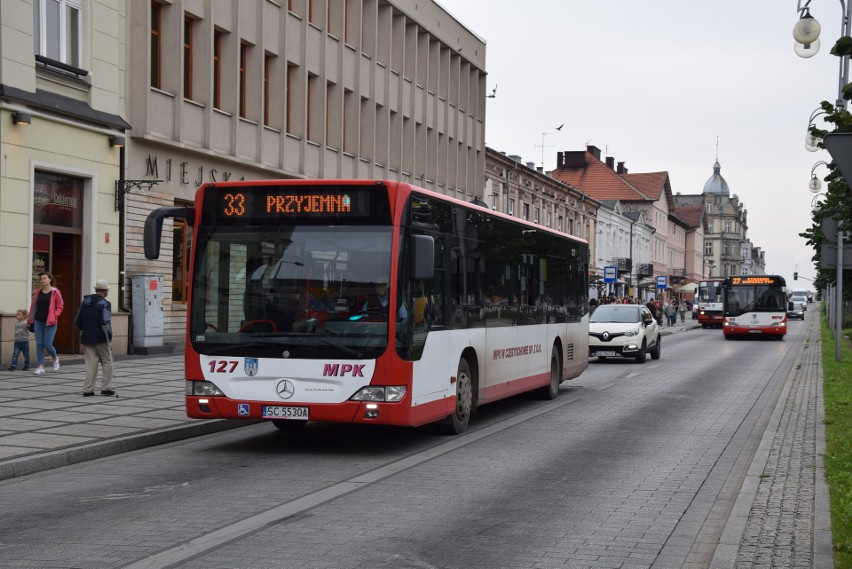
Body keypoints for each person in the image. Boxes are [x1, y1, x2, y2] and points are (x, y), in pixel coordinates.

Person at [75, 279, 114, 397]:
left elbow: (78, 320)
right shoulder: (105, 304)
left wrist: (85, 330)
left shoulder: (85, 302)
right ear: (104, 291)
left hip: (87, 337)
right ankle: (106, 387)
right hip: (101, 338)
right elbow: (105, 322)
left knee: (90, 364)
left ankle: (88, 389)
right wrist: (109, 335)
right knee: (107, 361)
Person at [27, 272, 64, 375]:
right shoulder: (38, 292)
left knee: (48, 344)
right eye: (41, 279)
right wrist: (29, 320)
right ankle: (41, 366)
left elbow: (60, 306)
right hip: (38, 321)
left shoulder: (55, 292)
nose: (42, 280)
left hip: (50, 323)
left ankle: (55, 358)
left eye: (44, 278)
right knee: (39, 344)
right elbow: (33, 306)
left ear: (49, 280)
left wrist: (55, 315)